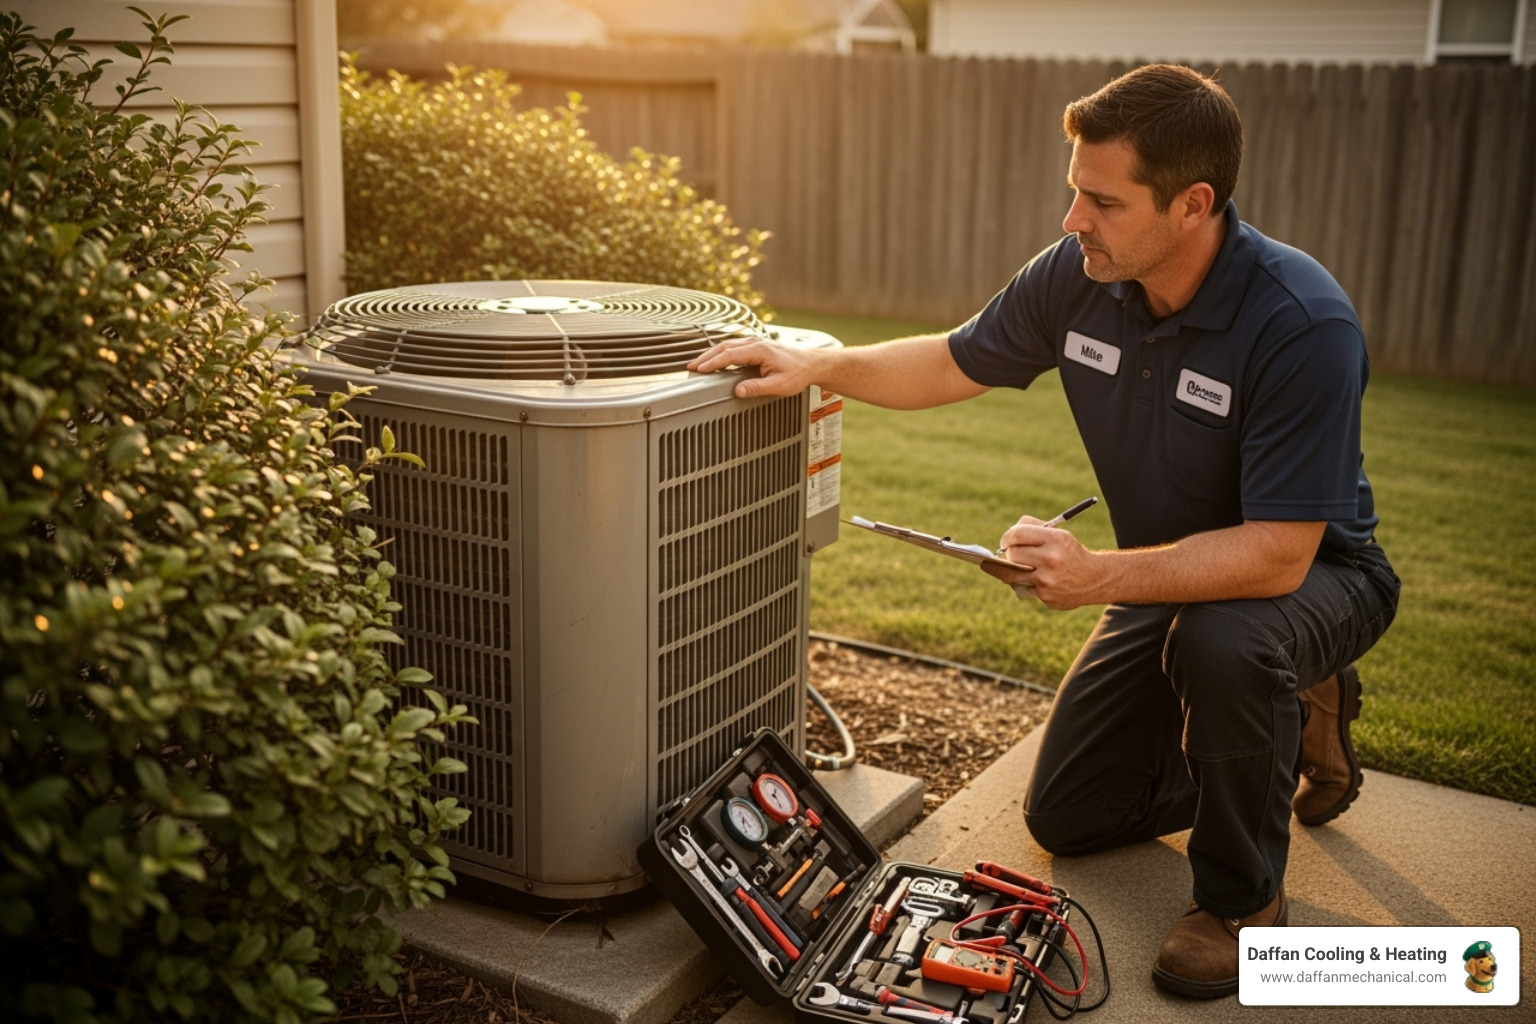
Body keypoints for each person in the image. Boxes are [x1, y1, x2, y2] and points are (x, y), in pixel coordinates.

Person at [687, 63, 1400, 999]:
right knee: (1069, 811)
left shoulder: (1300, 324)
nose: (1073, 220)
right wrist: (814, 364)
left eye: (1101, 201)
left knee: (1229, 641)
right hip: (1167, 575)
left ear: (1193, 204)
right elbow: (951, 361)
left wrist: (1097, 574)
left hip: (1315, 578)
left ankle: (1237, 905)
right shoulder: (1082, 275)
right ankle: (1282, 715)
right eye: (1074, 191)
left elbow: (1278, 552)